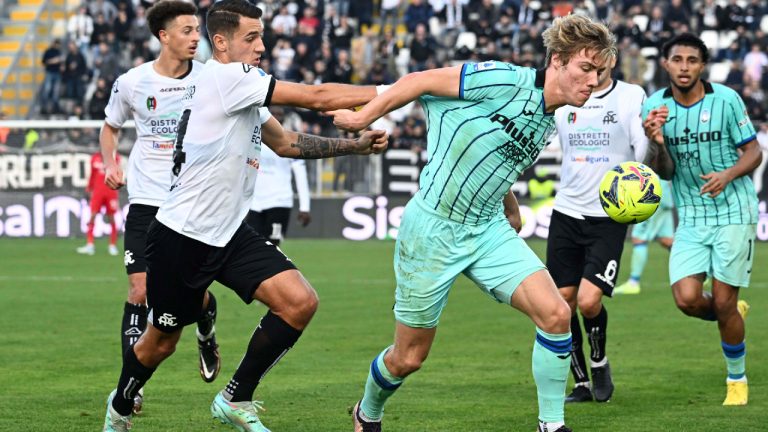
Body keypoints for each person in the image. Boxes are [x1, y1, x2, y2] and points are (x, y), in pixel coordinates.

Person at [102, 1, 388, 431]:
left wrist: (355, 146)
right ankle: (119, 408)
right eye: (250, 38)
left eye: (261, 36)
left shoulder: (242, 87)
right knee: (160, 343)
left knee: (298, 302)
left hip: (229, 232)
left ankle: (235, 397)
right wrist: (405, 88)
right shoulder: (229, 78)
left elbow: (287, 143)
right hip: (182, 235)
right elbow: (318, 97)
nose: (261, 46)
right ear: (221, 43)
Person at [328, 14, 617, 432]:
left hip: (486, 229)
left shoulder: (548, 122)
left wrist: (510, 203)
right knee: (408, 358)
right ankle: (367, 412)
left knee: (556, 313)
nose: (592, 81)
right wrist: (362, 118)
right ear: (557, 60)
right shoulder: (504, 79)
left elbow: (490, 156)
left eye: (599, 73)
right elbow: (418, 81)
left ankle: (551, 426)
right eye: (585, 68)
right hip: (432, 229)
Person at [98, 0, 220, 416]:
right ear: (163, 36)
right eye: (186, 30)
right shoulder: (132, 82)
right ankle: (130, 387)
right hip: (147, 200)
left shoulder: (210, 79)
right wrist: (110, 162)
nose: (195, 38)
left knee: (193, 296)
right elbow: (110, 127)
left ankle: (206, 324)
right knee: (139, 290)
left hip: (191, 204)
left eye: (196, 30)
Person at [643, 33, 760, 406]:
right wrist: (657, 143)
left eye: (692, 60)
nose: (684, 67)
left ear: (702, 65)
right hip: (690, 216)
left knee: (724, 303)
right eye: (677, 59)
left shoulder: (726, 99)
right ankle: (730, 315)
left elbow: (754, 152)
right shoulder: (655, 106)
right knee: (687, 299)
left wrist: (728, 175)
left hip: (733, 211)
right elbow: (662, 172)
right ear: (665, 63)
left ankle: (736, 380)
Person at [547, 55, 648, 404]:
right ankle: (580, 383)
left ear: (612, 58)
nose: (594, 65)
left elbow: (642, 150)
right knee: (562, 303)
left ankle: (599, 361)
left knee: (589, 302)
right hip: (566, 211)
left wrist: (641, 192)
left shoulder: (631, 95)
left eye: (599, 56)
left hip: (608, 215)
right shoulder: (564, 97)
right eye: (585, 58)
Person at [246, 109, 311, 245]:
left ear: (283, 118)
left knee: (273, 246)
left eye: (280, 114)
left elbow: (300, 173)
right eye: (273, 114)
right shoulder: (253, 137)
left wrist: (305, 206)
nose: (276, 117)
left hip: (279, 201)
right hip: (254, 203)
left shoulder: (291, 141)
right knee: (251, 247)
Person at [614, 180, 676, 295]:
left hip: (651, 193)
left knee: (639, 238)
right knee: (667, 241)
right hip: (664, 193)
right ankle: (699, 273)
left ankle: (633, 283)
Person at [77, 151, 122, 256]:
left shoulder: (115, 157)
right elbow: (92, 175)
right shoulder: (95, 157)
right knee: (92, 216)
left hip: (110, 191)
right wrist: (89, 189)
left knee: (111, 218)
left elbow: (118, 173)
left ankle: (112, 245)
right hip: (97, 192)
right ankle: (90, 245)